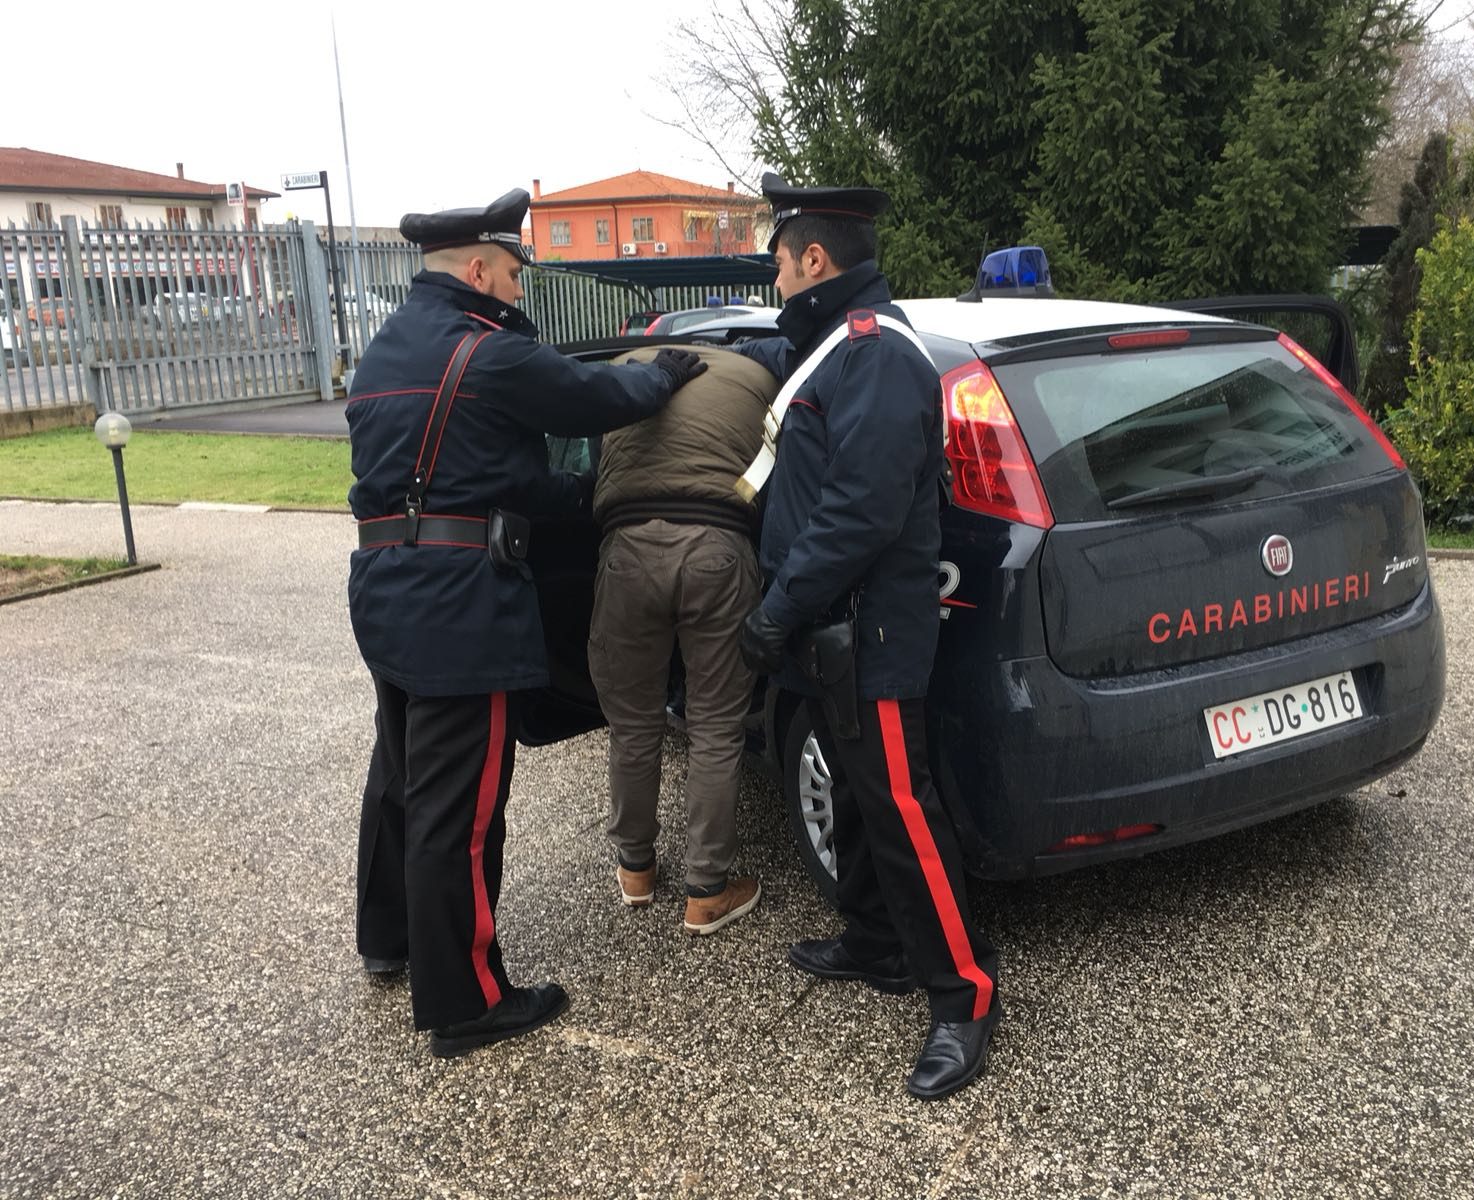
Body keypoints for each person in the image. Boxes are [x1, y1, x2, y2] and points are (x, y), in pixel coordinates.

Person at [346, 188, 706, 1059]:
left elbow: (479, 472)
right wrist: (664, 375)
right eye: (513, 274)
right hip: (460, 603)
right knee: (461, 808)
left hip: (387, 587)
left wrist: (581, 496)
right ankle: (467, 1001)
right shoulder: (486, 350)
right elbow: (592, 394)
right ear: (478, 269)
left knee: (400, 779)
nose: (518, 291)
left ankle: (390, 939)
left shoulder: (387, 349)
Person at [736, 174, 1001, 1101]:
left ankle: (964, 993)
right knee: (851, 791)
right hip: (831, 625)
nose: (775, 279)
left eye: (780, 262)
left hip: (869, 628)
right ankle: (877, 939)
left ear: (814, 259)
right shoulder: (836, 348)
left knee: (900, 809)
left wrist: (777, 607)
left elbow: (862, 510)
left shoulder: (877, 354)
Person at [586, 346, 776, 932]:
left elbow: (595, 462)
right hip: (718, 546)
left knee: (633, 724)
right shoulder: (759, 377)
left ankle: (636, 869)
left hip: (627, 548)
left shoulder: (626, 368)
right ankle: (707, 891)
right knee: (715, 725)